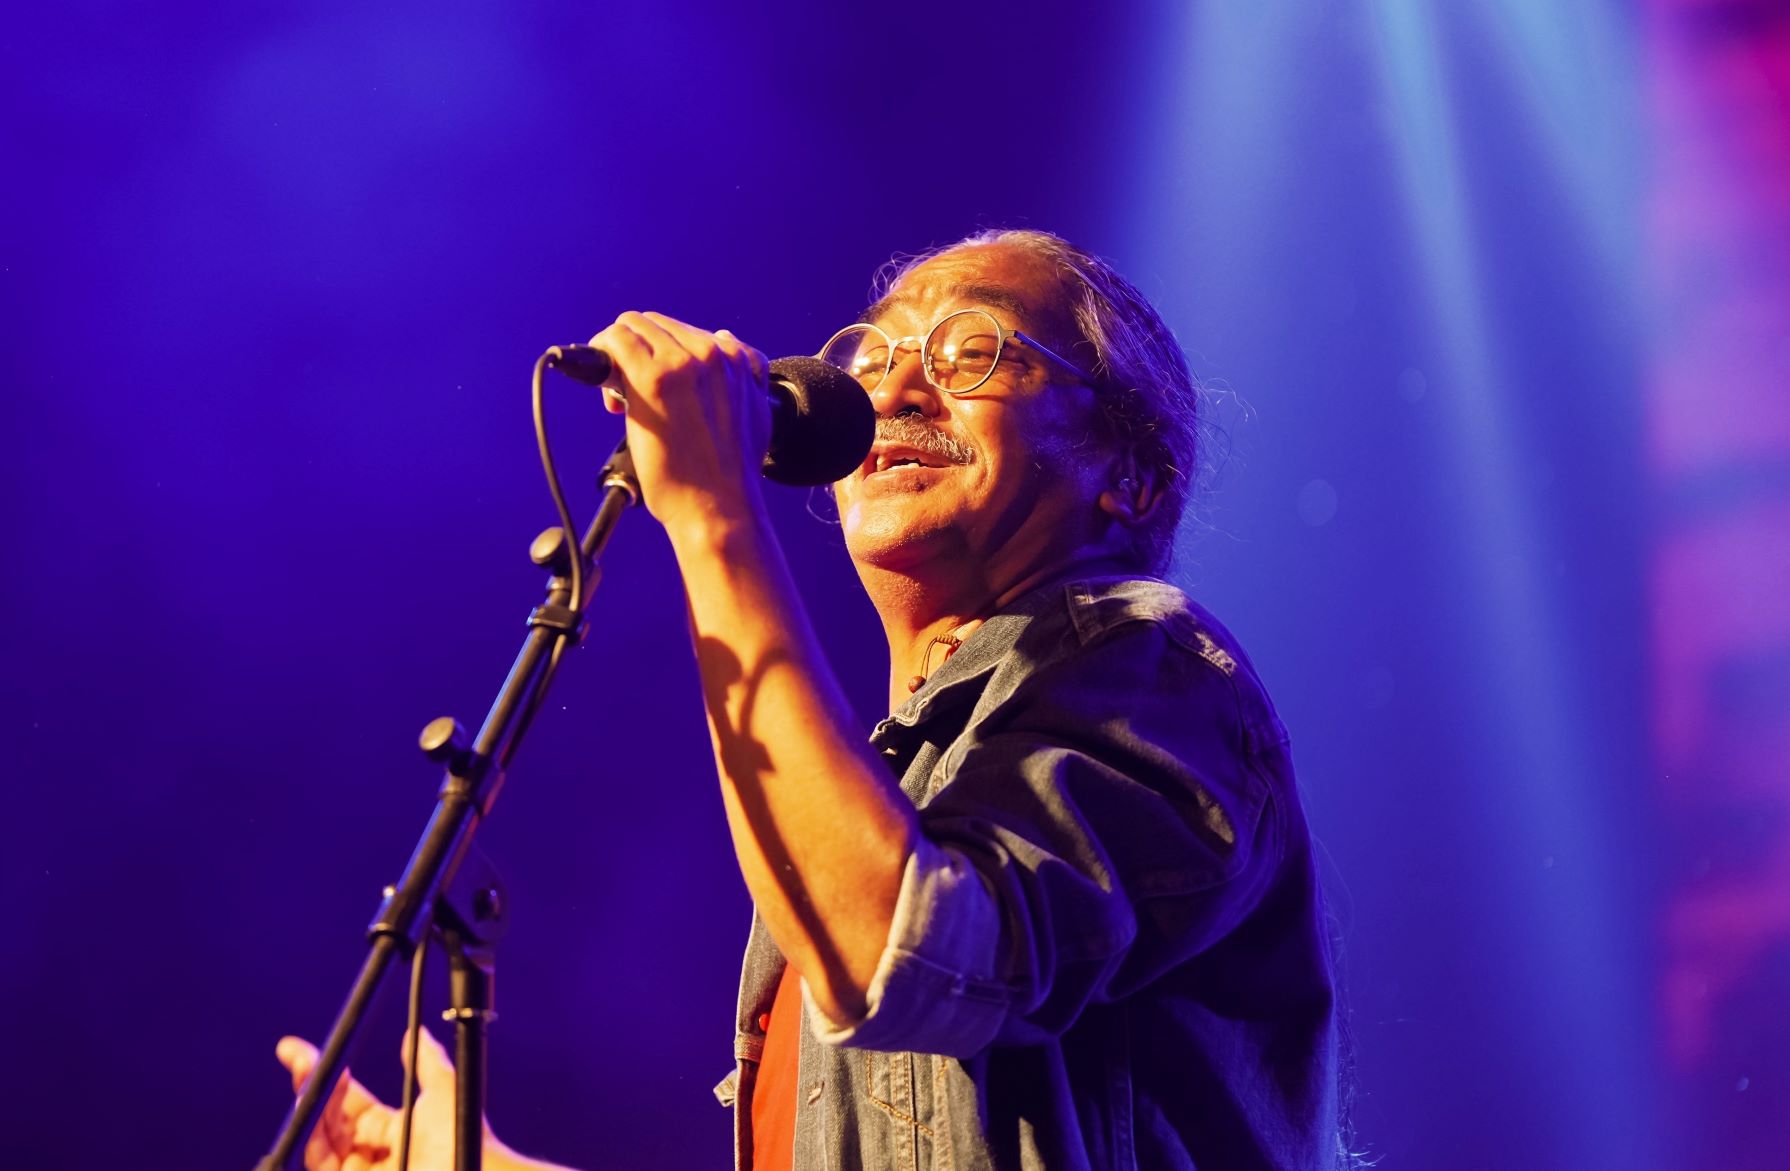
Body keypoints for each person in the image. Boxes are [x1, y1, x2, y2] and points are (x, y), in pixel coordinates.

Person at [276, 229, 1341, 1170]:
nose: (894, 389)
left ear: (1129, 475)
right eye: (870, 359)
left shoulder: (1154, 674)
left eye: (973, 351)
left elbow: (904, 952)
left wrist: (712, 513)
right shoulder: (873, 796)